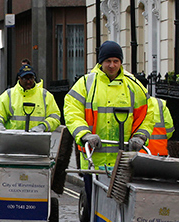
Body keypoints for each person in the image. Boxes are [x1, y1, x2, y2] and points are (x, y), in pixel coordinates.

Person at [64, 40, 152, 200]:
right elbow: (72, 112)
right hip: (94, 162)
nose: (112, 65)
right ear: (101, 62)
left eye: (116, 61)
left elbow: (148, 114)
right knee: (95, 205)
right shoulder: (86, 84)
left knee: (121, 207)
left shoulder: (133, 85)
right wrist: (84, 134)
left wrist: (140, 136)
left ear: (120, 62)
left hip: (124, 162)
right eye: (108, 61)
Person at [0, 63, 60, 133]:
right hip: (13, 139)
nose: (28, 81)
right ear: (19, 78)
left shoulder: (45, 96)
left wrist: (43, 126)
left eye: (31, 78)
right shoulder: (9, 95)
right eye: (25, 79)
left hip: (38, 139)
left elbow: (54, 117)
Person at [137, 76, 175, 156]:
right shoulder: (160, 104)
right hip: (159, 153)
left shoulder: (131, 104)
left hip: (138, 154)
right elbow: (169, 129)